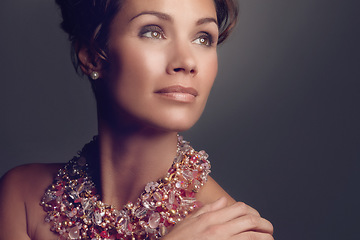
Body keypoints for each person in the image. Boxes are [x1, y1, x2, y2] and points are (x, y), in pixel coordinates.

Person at [0, 0, 274, 239]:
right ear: (93, 55)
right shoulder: (23, 200)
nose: (187, 61)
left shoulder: (233, 233)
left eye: (203, 38)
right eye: (153, 31)